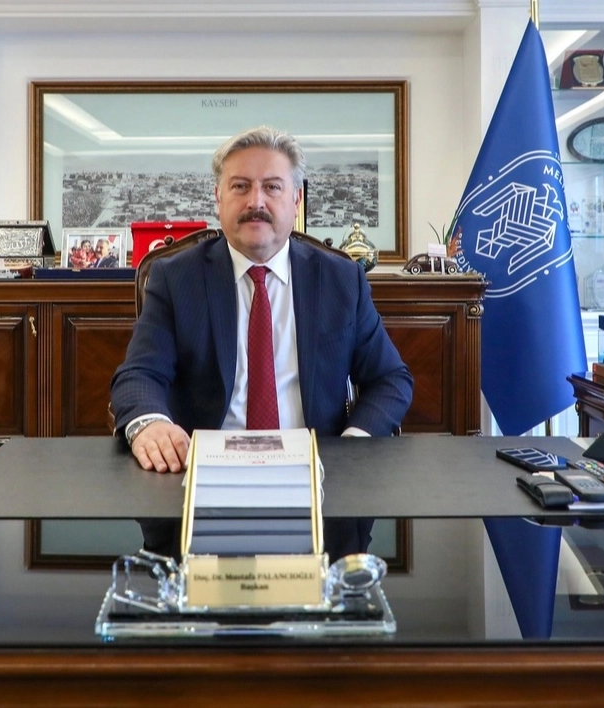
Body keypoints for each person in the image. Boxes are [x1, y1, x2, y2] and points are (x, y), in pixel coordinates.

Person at [110, 125, 413, 561]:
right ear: (218, 197)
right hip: (201, 488)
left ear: (296, 200)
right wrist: (151, 423)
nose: (256, 201)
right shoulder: (176, 278)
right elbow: (139, 375)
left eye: (272, 187)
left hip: (319, 489)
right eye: (240, 186)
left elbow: (390, 378)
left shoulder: (340, 279)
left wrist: (352, 446)